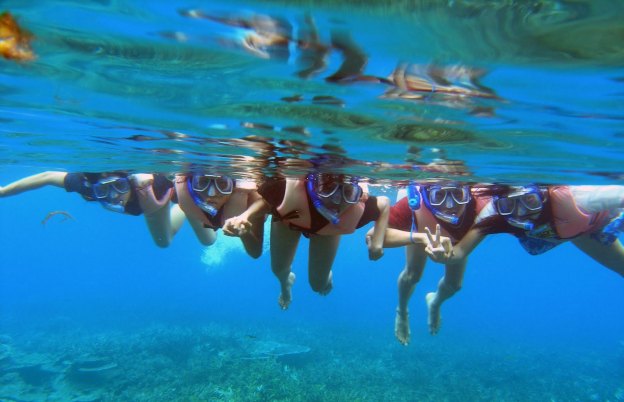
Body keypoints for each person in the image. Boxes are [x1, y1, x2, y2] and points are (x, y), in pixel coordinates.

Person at [421, 184, 624, 336]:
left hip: (585, 230)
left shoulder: (580, 198)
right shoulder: (493, 211)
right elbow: (459, 253)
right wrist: (442, 256)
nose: (521, 213)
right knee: (454, 285)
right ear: (500, 204)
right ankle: (435, 302)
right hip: (549, 235)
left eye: (530, 201)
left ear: (543, 195)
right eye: (510, 205)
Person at [223, 172, 390, 309]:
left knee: (318, 285)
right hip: (290, 219)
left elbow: (384, 204)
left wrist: (377, 242)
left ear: (358, 195)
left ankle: (326, 275)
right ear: (315, 185)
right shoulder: (288, 187)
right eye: (328, 189)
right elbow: (267, 203)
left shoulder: (355, 207)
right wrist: (245, 216)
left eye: (347, 193)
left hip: (327, 230)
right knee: (278, 269)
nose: (336, 201)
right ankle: (286, 284)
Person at [370, 181, 492, 345]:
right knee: (413, 274)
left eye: (457, 194)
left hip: (457, 241)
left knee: (454, 285)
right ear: (427, 194)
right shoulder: (413, 204)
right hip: (422, 230)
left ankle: (434, 302)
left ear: (468, 193)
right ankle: (402, 311)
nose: (450, 205)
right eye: (439, 195)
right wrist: (421, 237)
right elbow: (373, 236)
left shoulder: (479, 205)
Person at [0, 171, 184, 247]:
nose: (113, 197)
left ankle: (185, 206)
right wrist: (3, 191)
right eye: (104, 190)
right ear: (95, 188)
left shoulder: (150, 186)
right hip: (146, 202)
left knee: (163, 241)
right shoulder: (86, 185)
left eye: (119, 187)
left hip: (154, 198)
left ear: (130, 182)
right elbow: (47, 176)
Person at [173, 173, 265, 257]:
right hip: (198, 209)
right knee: (207, 240)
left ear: (235, 185)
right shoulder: (185, 191)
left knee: (207, 241)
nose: (211, 193)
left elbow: (256, 252)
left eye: (222, 184)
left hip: (203, 211)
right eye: (203, 182)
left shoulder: (252, 200)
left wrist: (245, 234)